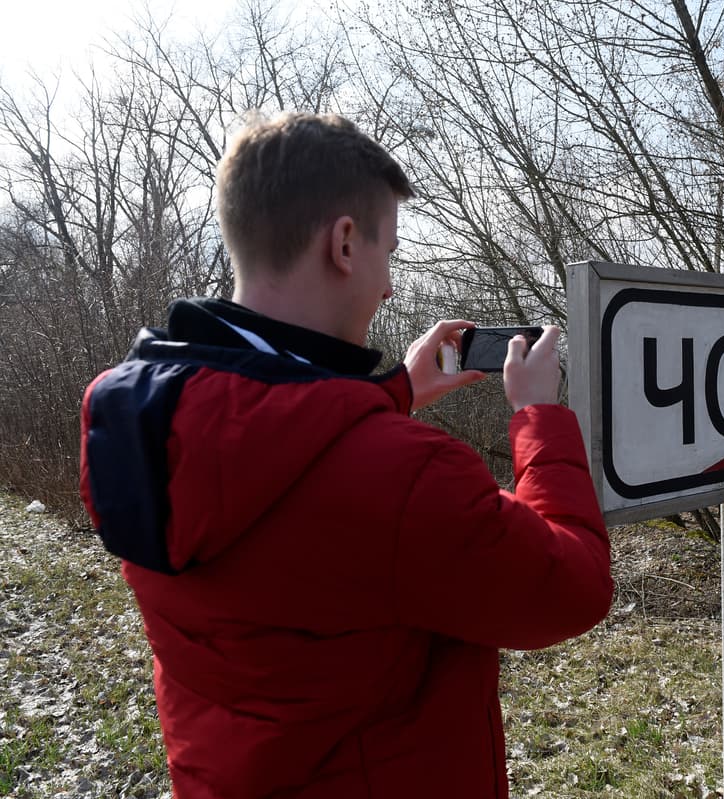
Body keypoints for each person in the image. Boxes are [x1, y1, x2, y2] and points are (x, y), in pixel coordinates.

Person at [78, 112, 612, 798]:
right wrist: (539, 415)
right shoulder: (408, 475)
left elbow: (283, 454)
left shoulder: (135, 424)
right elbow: (575, 586)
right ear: (345, 243)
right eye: (389, 251)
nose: (389, 285)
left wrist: (398, 391)